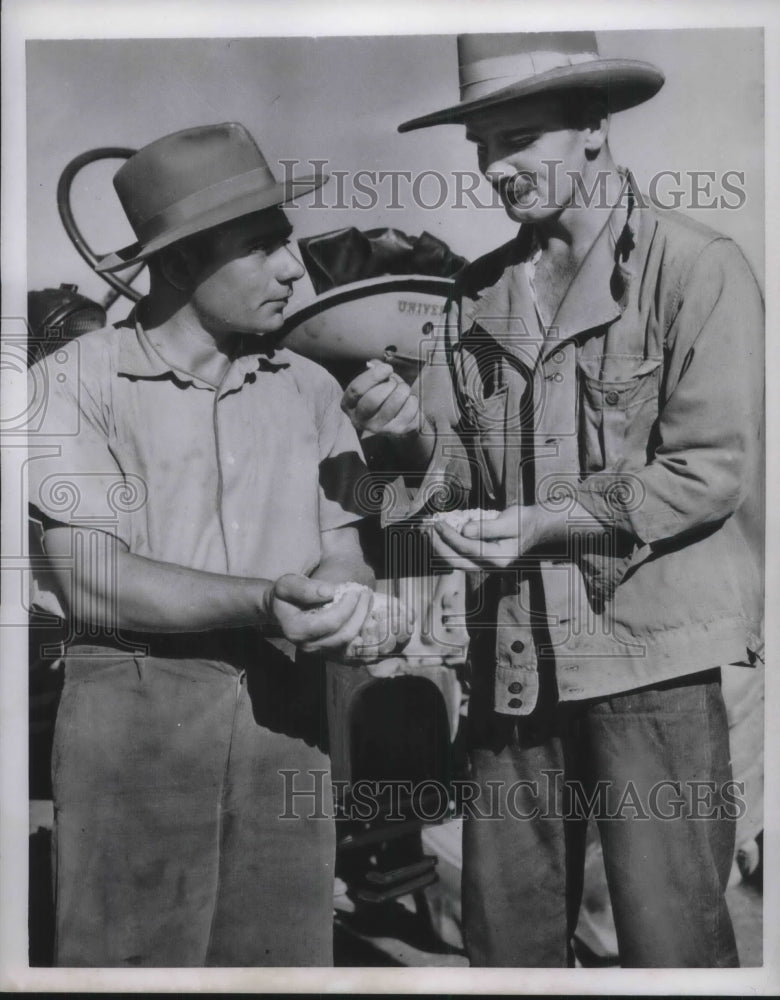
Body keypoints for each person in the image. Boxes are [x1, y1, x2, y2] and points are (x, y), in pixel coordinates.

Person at [340, 33, 764, 967]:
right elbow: (448, 479)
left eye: (521, 138)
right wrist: (401, 437)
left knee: (671, 945)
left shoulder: (697, 270)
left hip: (649, 667)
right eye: (483, 147)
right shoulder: (473, 297)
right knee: (506, 943)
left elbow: (707, 471)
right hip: (512, 670)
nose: (498, 169)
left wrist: (542, 521)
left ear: (594, 131)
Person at [28, 122, 410, 967]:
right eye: (262, 247)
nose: (293, 269)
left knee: (282, 964)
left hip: (289, 722)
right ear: (176, 265)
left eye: (290, 243)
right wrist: (266, 598)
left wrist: (353, 602)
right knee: (129, 964)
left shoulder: (310, 387)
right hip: (135, 720)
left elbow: (341, 543)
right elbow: (94, 582)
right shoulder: (69, 383)